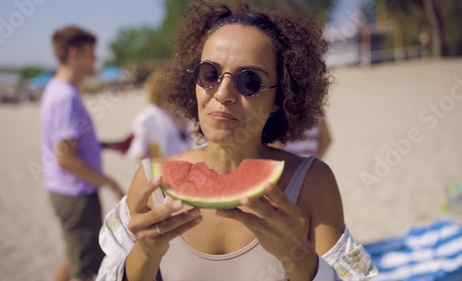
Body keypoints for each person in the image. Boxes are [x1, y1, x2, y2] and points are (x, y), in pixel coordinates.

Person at [97, 2, 378, 281]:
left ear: (280, 99)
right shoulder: (150, 182)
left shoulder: (311, 184)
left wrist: (298, 256)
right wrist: (146, 250)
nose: (223, 93)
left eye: (250, 81)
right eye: (210, 74)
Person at [40, 26, 125, 281]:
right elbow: (65, 158)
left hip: (64, 192)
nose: (96, 60)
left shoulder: (57, 89)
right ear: (75, 54)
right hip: (76, 195)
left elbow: (73, 144)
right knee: (86, 268)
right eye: (92, 53)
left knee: (74, 252)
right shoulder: (66, 96)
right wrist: (110, 181)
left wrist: (109, 145)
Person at [126, 66, 192, 160]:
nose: (177, 92)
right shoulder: (147, 118)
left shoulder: (180, 114)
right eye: (172, 89)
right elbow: (138, 151)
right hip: (162, 171)